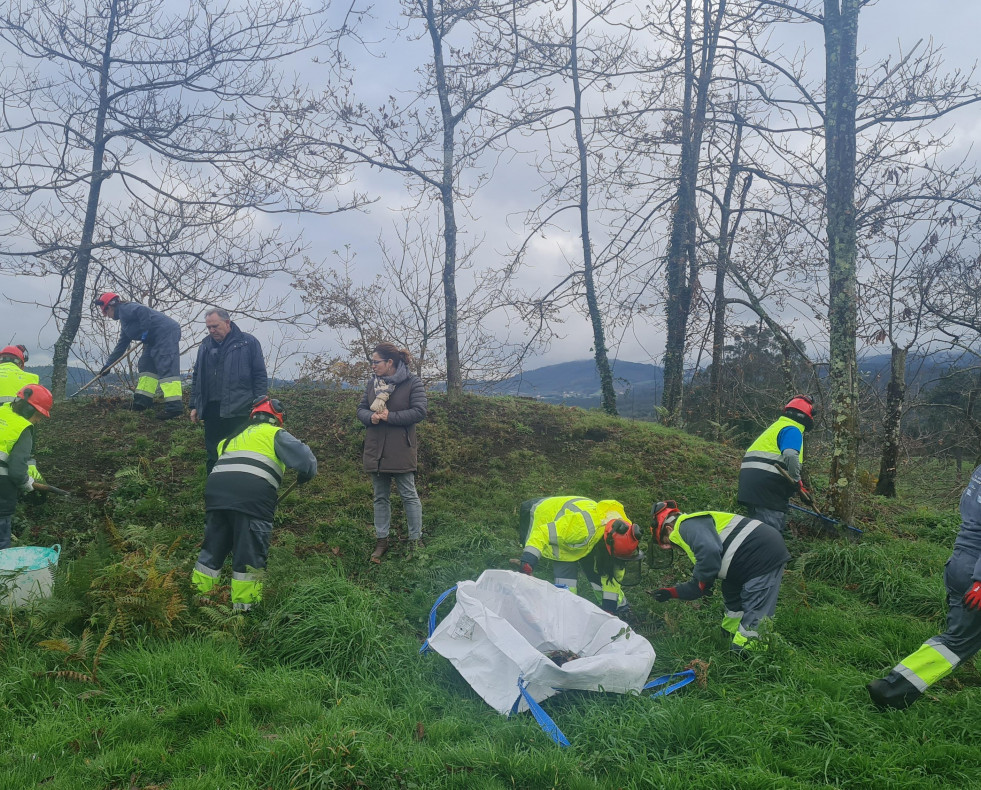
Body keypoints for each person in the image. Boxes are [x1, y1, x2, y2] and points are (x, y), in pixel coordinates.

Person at [867, 464, 981, 710]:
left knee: (958, 639)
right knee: (957, 641)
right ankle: (891, 688)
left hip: (961, 562)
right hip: (975, 573)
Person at [192, 397, 317, 610]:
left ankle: (198, 601)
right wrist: (307, 474)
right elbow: (307, 461)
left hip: (216, 495)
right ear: (277, 419)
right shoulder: (275, 434)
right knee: (248, 556)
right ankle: (244, 612)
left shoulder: (230, 439)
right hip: (252, 499)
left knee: (212, 549)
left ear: (253, 416)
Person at [651, 500, 790, 652]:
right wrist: (670, 592)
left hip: (763, 555)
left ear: (669, 529)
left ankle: (748, 654)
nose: (671, 546)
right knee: (731, 593)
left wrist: (702, 579)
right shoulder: (695, 531)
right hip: (745, 560)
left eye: (667, 542)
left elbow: (710, 552)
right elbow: (699, 587)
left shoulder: (686, 525)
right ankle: (729, 634)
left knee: (756, 607)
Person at [357, 343, 427, 563]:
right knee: (380, 497)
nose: (373, 366)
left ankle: (415, 541)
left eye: (376, 362)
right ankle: (381, 541)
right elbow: (361, 409)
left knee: (408, 495)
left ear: (389, 363)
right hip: (376, 449)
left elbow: (419, 411)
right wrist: (371, 417)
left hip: (401, 450)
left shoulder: (412, 382)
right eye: (372, 362)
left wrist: (389, 417)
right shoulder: (372, 384)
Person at [518, 496, 641, 614]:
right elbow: (542, 533)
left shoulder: (625, 534)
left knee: (601, 571)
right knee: (566, 581)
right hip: (545, 515)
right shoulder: (581, 527)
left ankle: (620, 609)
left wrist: (609, 608)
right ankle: (567, 611)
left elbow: (612, 577)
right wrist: (528, 561)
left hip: (585, 533)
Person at [189, 308, 268, 473]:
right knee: (213, 451)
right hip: (211, 409)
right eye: (208, 327)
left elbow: (259, 375)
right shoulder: (204, 345)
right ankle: (214, 483)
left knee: (239, 449)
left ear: (227, 323)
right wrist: (194, 405)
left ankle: (239, 483)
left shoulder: (248, 343)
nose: (211, 330)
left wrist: (260, 404)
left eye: (215, 326)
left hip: (240, 408)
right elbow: (197, 376)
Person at [94, 292, 184, 419]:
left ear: (110, 306)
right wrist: (108, 365)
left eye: (105, 311)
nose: (106, 315)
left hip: (165, 333)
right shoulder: (125, 323)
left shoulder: (125, 308)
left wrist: (145, 330)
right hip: (152, 340)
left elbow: (143, 311)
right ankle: (142, 402)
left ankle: (174, 408)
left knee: (165, 365)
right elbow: (121, 346)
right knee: (146, 365)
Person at [737, 394, 817, 533]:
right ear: (807, 417)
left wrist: (801, 488)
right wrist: (796, 479)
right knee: (769, 534)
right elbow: (790, 455)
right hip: (767, 488)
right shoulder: (793, 429)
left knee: (759, 532)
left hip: (754, 484)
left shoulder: (778, 426)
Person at [0, 385, 53, 549]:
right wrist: (26, 483)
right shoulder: (23, 428)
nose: (38, 420)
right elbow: (16, 470)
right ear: (29, 409)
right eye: (38, 415)